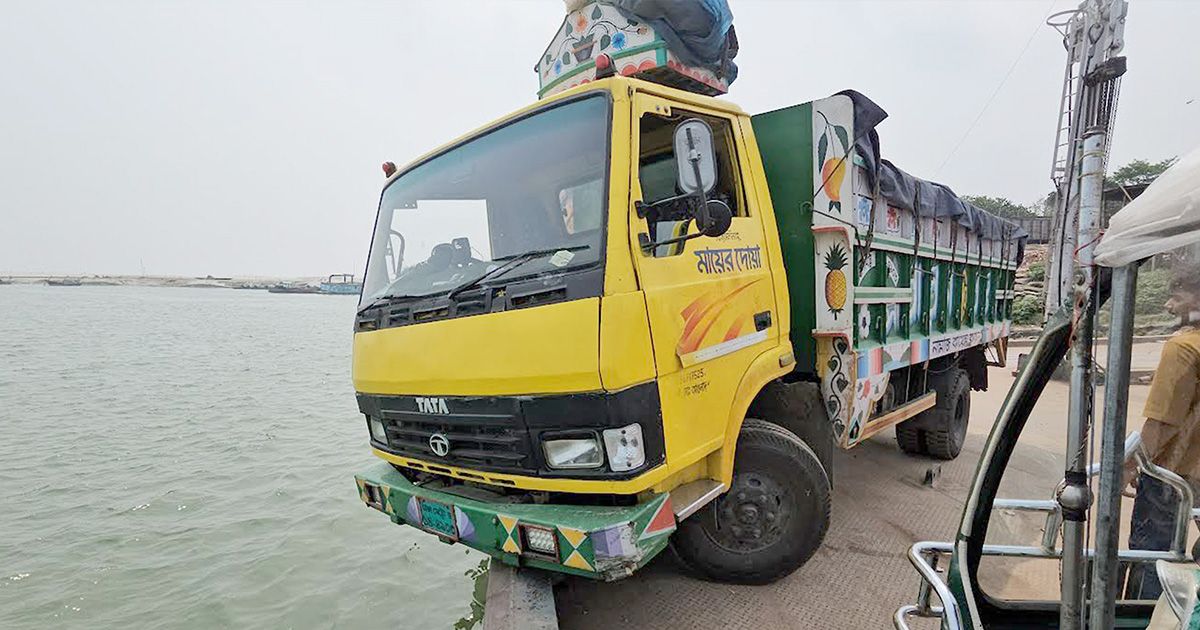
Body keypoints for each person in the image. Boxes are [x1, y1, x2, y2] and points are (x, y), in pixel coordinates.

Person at [1125, 266, 1200, 599]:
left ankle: (1146, 615)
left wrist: (1129, 467)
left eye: (1178, 296)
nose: (1170, 306)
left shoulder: (1183, 348)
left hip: (1174, 475)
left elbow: (1162, 422)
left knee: (1152, 556)